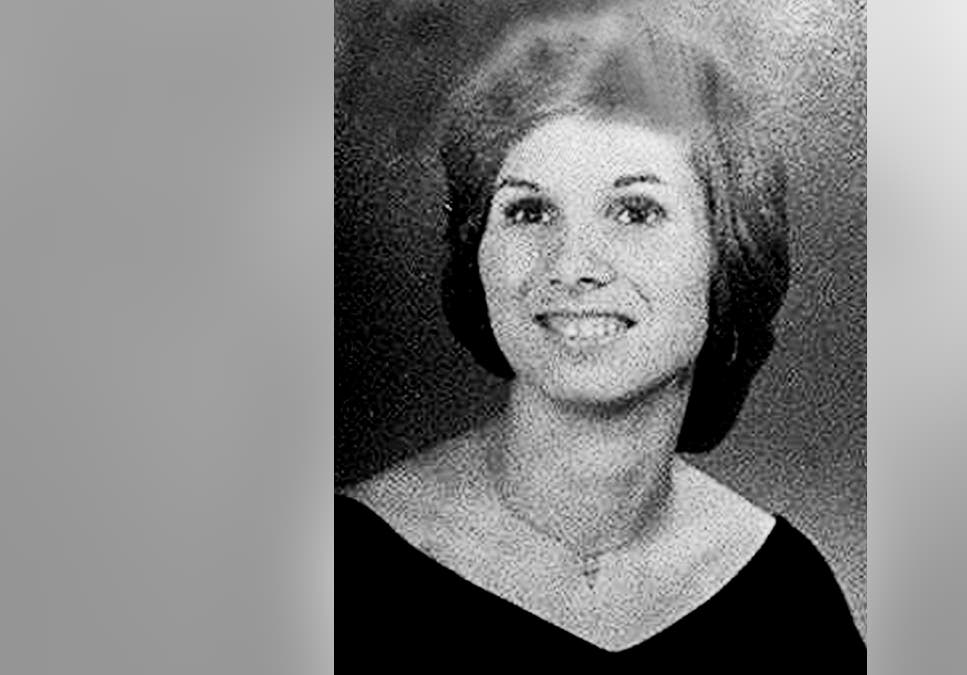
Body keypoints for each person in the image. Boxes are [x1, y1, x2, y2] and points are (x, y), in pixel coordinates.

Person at [337, 4, 865, 666]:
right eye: (529, 211)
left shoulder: (787, 596)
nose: (572, 265)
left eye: (635, 211)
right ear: (477, 251)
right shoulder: (344, 569)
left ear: (727, 255)